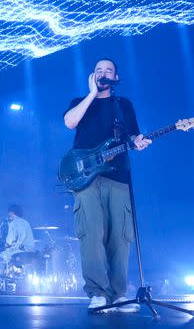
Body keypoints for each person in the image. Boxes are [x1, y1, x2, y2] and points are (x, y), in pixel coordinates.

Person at [63, 58, 151, 313]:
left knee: (120, 238)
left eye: (108, 70)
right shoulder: (79, 103)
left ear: (116, 78)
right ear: (92, 76)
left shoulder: (123, 105)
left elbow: (133, 136)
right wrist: (91, 94)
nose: (103, 73)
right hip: (86, 178)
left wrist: (139, 141)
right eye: (98, 70)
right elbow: (70, 122)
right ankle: (97, 293)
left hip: (118, 176)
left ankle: (118, 294)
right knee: (91, 234)